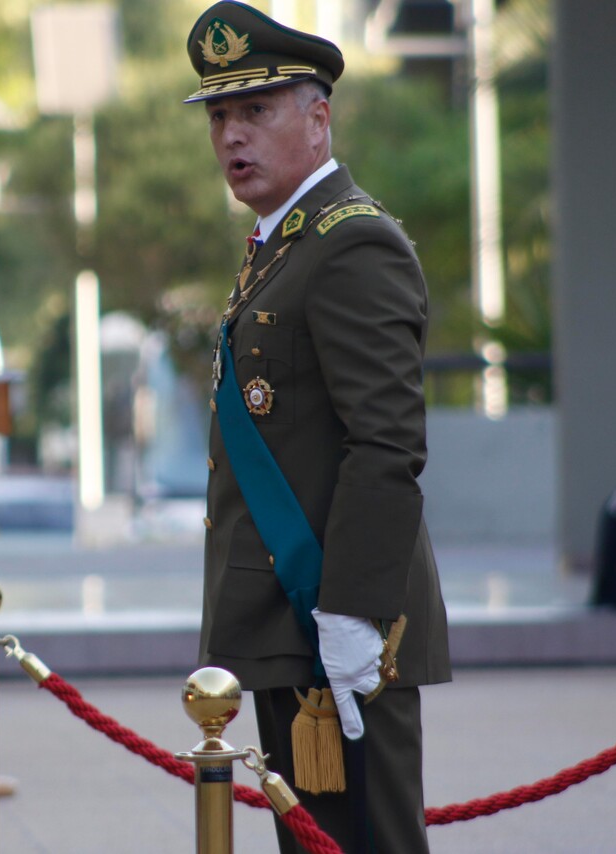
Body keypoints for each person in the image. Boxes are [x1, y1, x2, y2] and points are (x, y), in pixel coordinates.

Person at [185, 3, 452, 852]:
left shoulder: (350, 244)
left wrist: (352, 615)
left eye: (256, 110)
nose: (233, 135)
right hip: (289, 620)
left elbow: (386, 444)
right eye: (221, 115)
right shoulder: (281, 244)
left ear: (318, 117)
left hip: (338, 625)